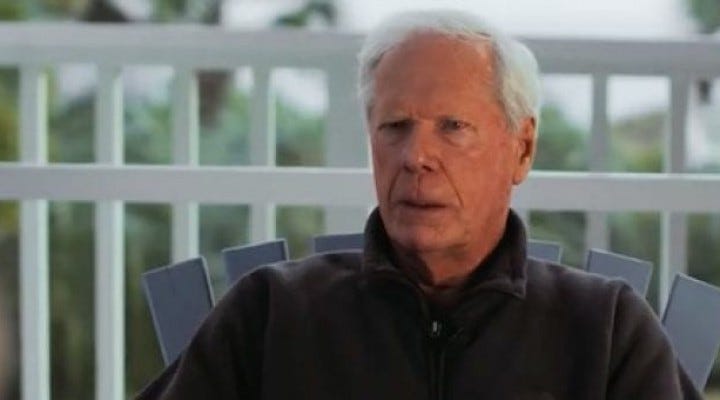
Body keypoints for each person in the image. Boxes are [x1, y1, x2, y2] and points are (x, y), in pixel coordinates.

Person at [137, 9, 701, 399]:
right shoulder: (273, 314)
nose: (416, 157)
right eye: (395, 127)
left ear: (522, 148)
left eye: (453, 126)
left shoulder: (603, 330)